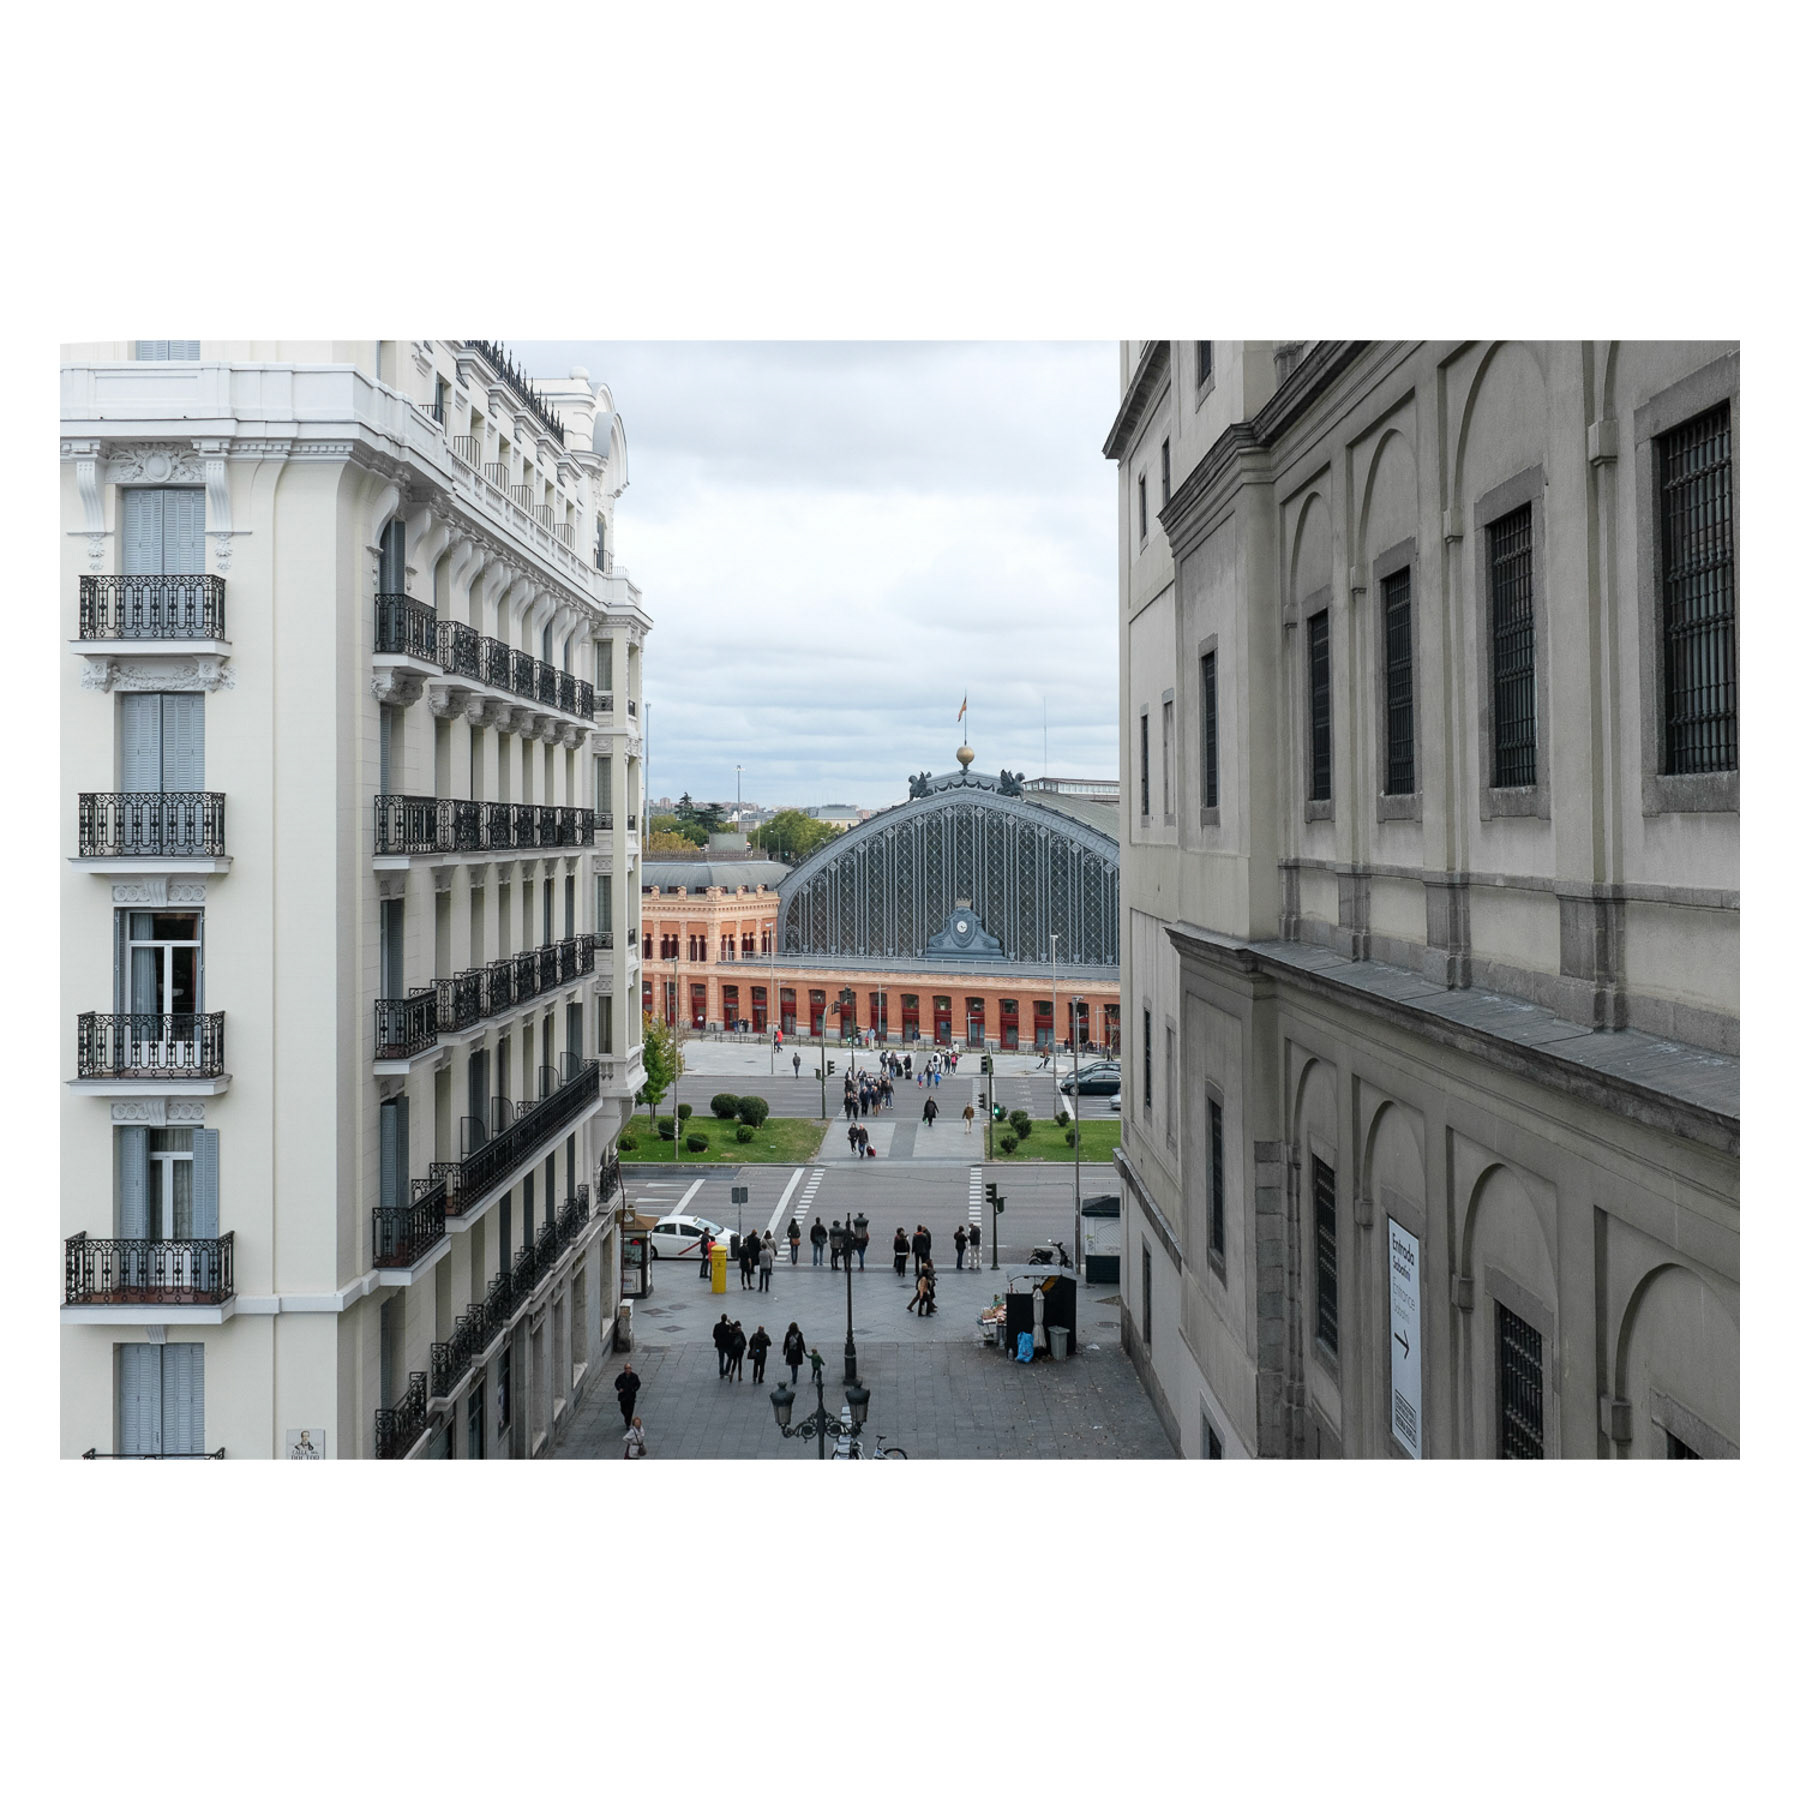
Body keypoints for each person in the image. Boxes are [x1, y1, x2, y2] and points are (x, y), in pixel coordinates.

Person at [782, 1321, 807, 1386]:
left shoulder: (788, 1334)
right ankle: (794, 1377)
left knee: (792, 1364)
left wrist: (784, 1351)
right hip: (797, 1352)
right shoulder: (799, 1334)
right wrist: (804, 1350)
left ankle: (793, 1375)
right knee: (796, 1365)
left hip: (790, 1351)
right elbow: (802, 1342)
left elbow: (786, 1343)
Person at [712, 1313, 733, 1378]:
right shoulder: (728, 1327)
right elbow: (734, 1329)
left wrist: (717, 1340)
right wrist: (730, 1322)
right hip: (727, 1345)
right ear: (726, 1319)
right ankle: (726, 1371)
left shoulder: (717, 1325)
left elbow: (714, 1335)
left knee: (721, 1359)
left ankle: (721, 1373)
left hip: (719, 1345)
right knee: (730, 1357)